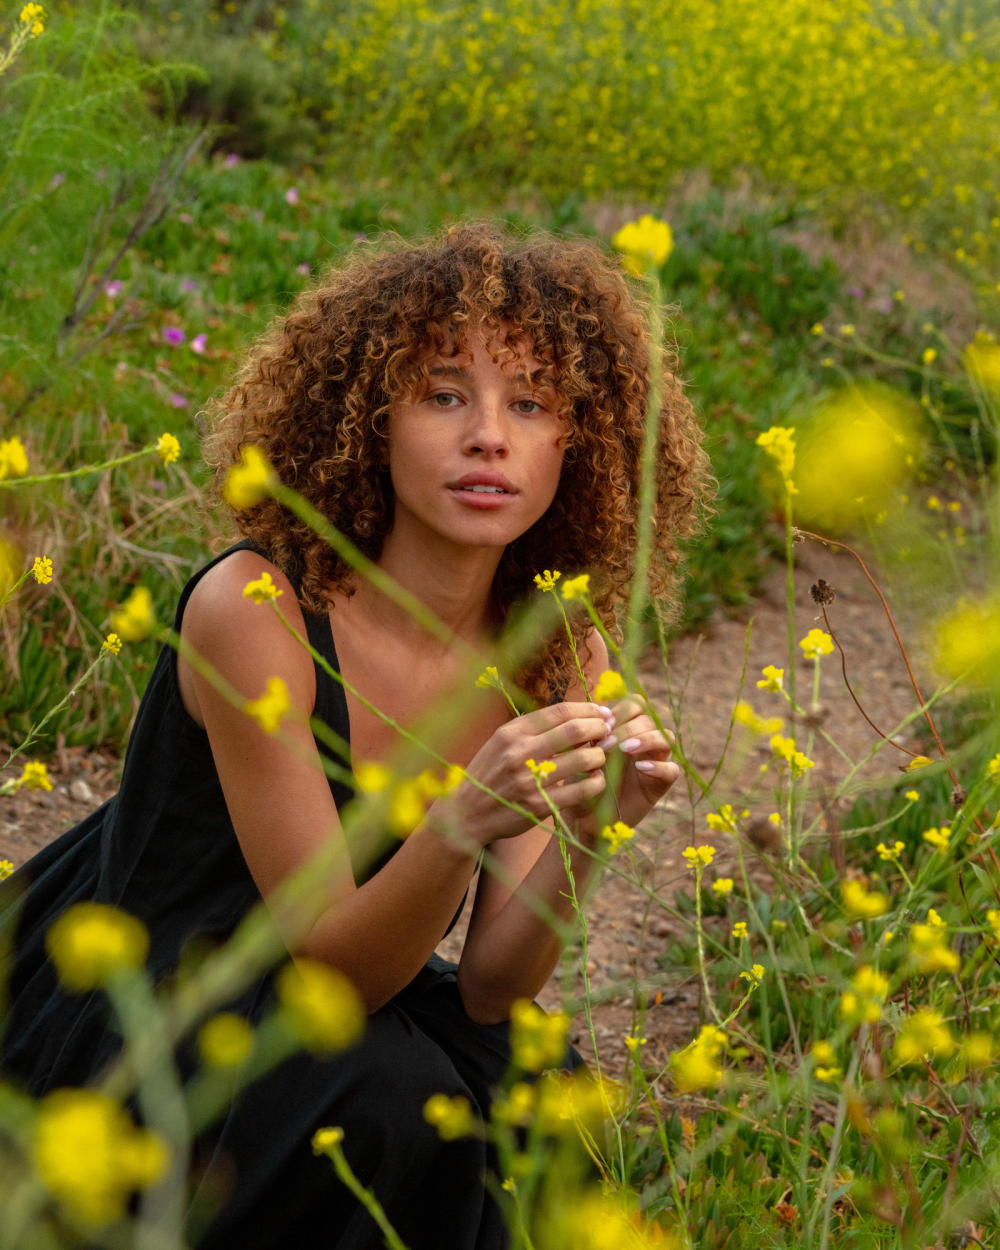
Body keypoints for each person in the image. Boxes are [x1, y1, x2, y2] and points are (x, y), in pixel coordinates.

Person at [0, 222, 707, 1248]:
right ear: (369, 418)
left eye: (531, 402)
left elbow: (494, 982)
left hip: (345, 980)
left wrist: (594, 822)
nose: (488, 437)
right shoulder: (259, 608)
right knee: (389, 1100)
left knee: (534, 1091)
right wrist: (462, 817)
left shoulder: (554, 644)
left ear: (582, 438)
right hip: (155, 994)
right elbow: (333, 969)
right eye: (442, 393)